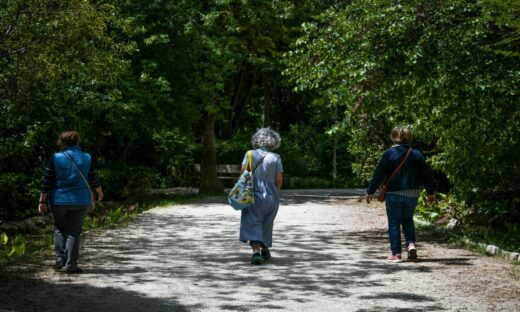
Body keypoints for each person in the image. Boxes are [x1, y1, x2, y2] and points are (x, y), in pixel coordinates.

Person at [366, 126, 435, 262]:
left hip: (393, 193)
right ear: (409, 137)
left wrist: (370, 191)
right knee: (408, 219)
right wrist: (430, 192)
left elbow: (378, 174)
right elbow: (426, 175)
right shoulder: (416, 153)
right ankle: (411, 245)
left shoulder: (389, 154)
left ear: (393, 137)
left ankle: (396, 254)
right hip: (412, 193)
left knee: (394, 223)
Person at [38, 131, 103, 273]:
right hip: (80, 200)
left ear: (62, 142)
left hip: (58, 200)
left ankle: (59, 260)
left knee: (59, 227)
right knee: (73, 231)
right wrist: (99, 192)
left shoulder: (56, 157)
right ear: (77, 142)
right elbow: (93, 178)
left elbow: (47, 180)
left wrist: (42, 201)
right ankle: (71, 265)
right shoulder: (87, 157)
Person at [240, 128, 283, 264]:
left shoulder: (250, 154)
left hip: (252, 193)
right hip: (271, 195)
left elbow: (243, 173)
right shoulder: (276, 157)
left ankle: (256, 252)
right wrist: (276, 193)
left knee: (253, 221)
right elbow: (279, 180)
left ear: (256, 140)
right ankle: (265, 249)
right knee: (266, 222)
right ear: (273, 141)